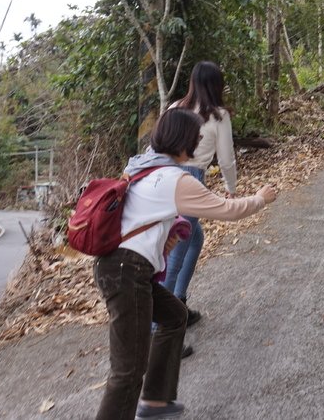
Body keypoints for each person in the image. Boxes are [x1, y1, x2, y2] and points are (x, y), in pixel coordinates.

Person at [94, 108, 277, 420]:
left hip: (118, 267)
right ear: (184, 141)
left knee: (175, 315)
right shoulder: (175, 179)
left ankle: (155, 403)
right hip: (127, 273)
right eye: (196, 137)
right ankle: (148, 405)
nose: (197, 143)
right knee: (127, 372)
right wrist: (261, 198)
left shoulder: (141, 167)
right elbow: (228, 210)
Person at [161, 61, 238, 328]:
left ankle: (178, 302)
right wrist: (231, 189)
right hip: (190, 180)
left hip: (163, 179)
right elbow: (226, 160)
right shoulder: (217, 115)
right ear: (217, 84)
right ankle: (162, 329)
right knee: (175, 253)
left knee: (193, 239)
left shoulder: (174, 107)